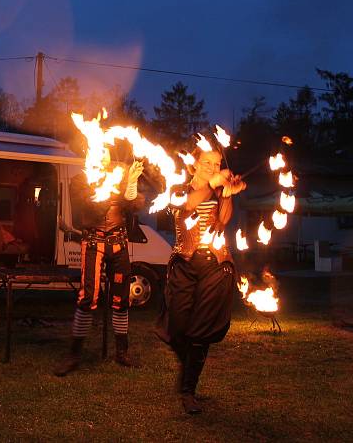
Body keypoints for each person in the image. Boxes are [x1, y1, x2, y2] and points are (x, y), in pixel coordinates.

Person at [156, 145, 246, 414]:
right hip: (184, 264)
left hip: (215, 266)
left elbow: (223, 222)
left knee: (202, 330)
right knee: (176, 327)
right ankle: (188, 367)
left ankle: (188, 390)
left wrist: (227, 195)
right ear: (193, 166)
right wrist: (213, 185)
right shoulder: (178, 188)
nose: (213, 169)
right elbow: (188, 207)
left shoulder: (218, 190)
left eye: (217, 165)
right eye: (207, 163)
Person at [54, 153, 145, 376]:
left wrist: (131, 181)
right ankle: (74, 355)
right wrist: (110, 187)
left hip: (119, 243)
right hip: (93, 243)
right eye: (99, 152)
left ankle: (122, 352)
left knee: (121, 297)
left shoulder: (119, 177)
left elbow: (134, 205)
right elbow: (92, 209)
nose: (103, 156)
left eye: (106, 151)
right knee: (88, 297)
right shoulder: (80, 180)